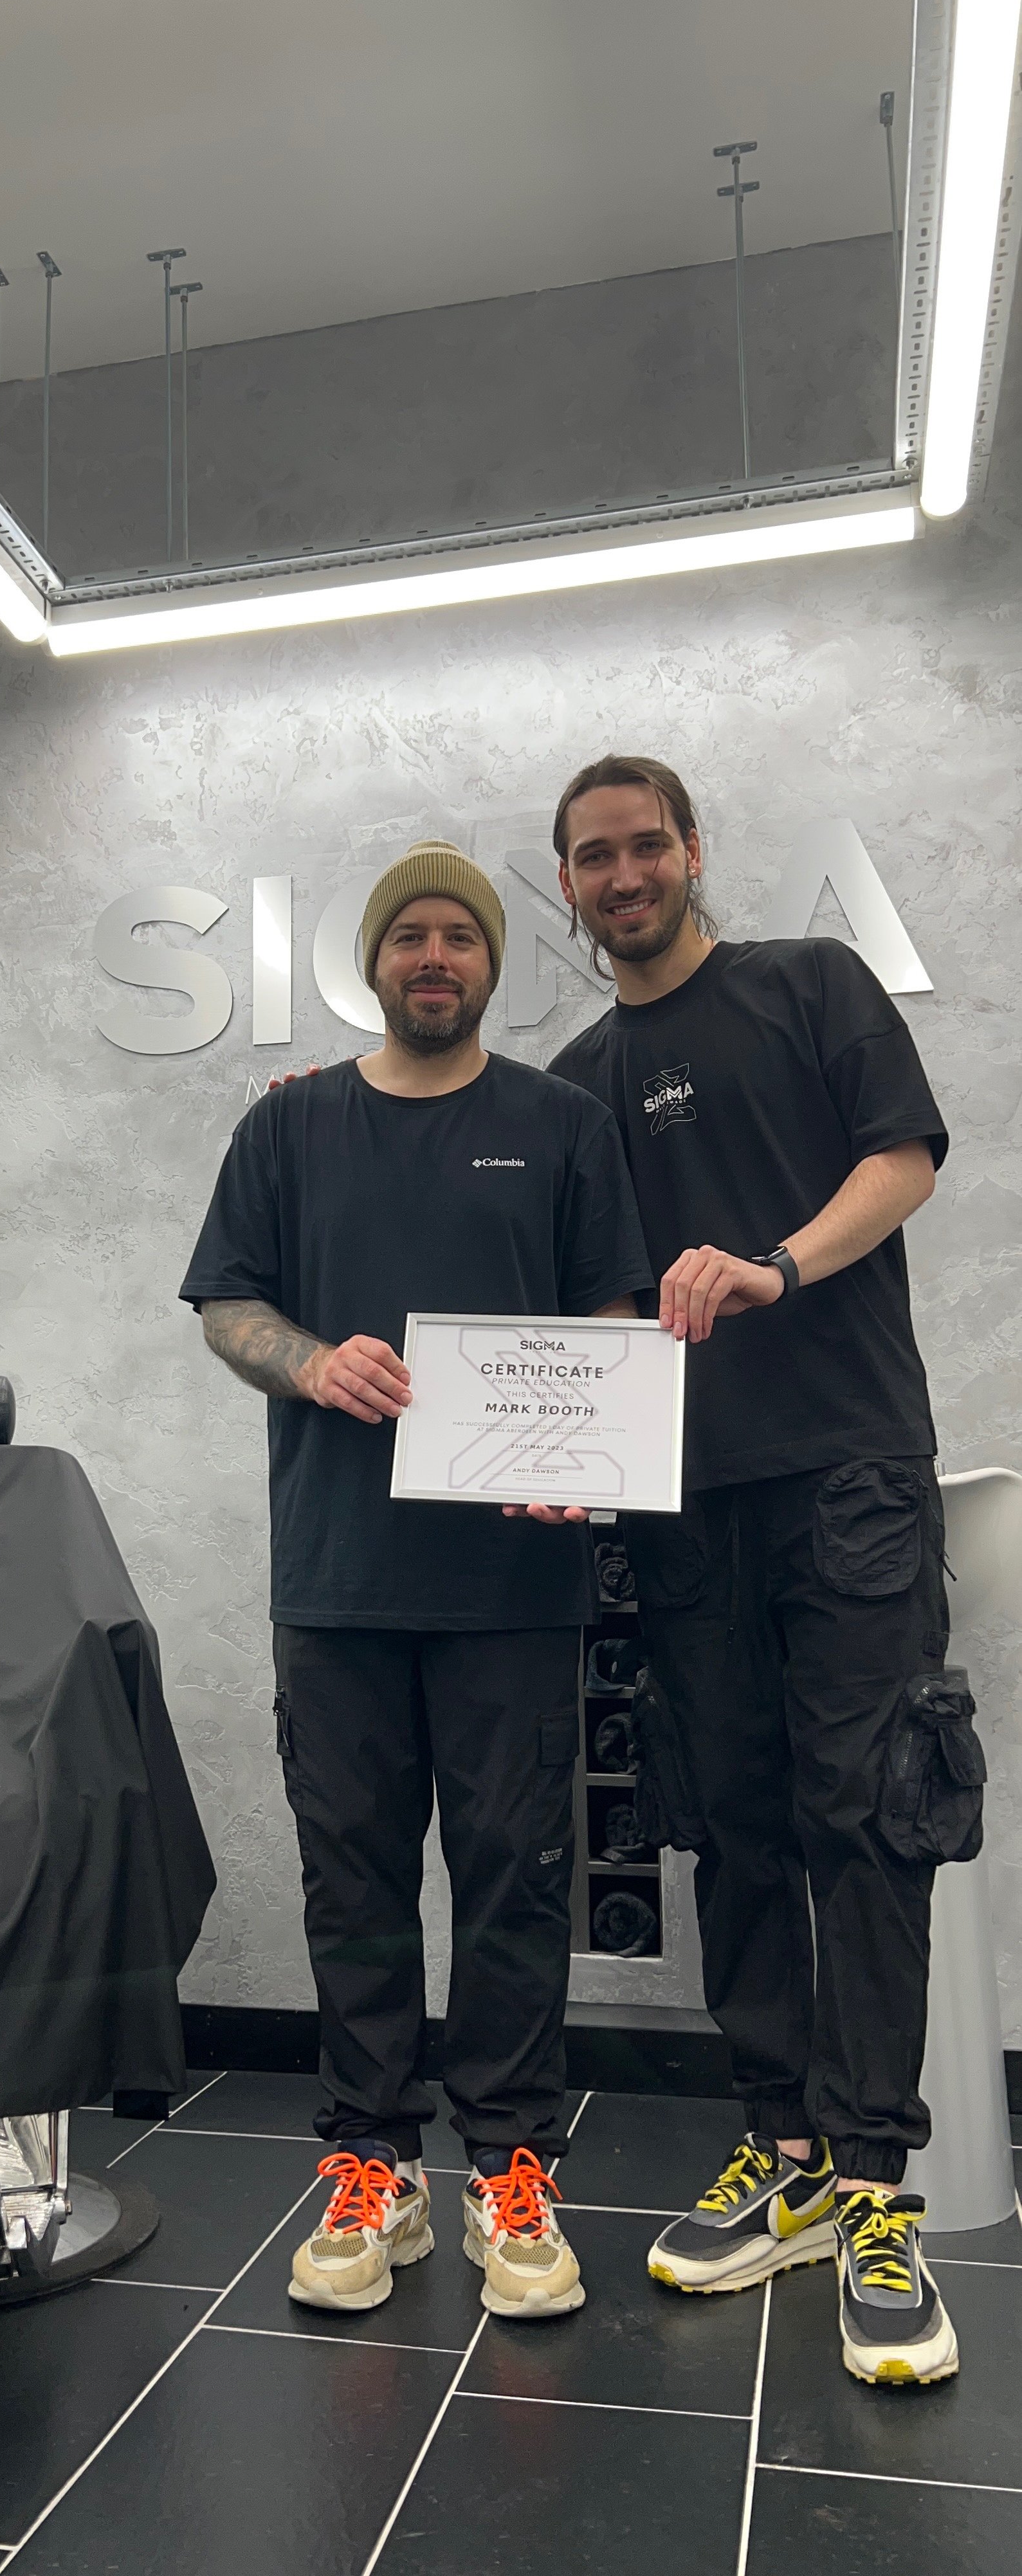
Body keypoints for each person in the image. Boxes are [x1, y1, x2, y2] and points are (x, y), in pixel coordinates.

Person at [180, 842, 652, 2319]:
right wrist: (312, 1362)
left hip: (518, 1582)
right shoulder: (289, 1128)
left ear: (491, 965)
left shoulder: (563, 1124)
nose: (434, 957)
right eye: (410, 938)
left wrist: (592, 1437)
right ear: (374, 964)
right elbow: (225, 1306)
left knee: (517, 1884)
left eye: (460, 937)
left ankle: (514, 2177)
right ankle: (371, 2165)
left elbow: (613, 1322)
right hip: (338, 1581)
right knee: (359, 1884)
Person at [542, 753, 960, 2388]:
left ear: (692, 852)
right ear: (566, 884)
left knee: (871, 1817)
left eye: (647, 845)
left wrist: (778, 1265)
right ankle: (783, 2149)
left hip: (848, 1475)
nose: (625, 874)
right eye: (593, 857)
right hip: (681, 1503)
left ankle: (874, 2192)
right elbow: (578, 1311)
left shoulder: (811, 986)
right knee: (738, 1822)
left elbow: (906, 1160)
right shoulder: (575, 1081)